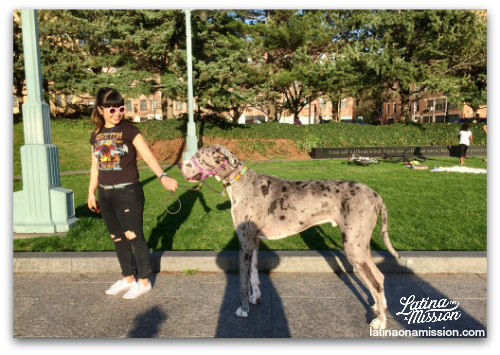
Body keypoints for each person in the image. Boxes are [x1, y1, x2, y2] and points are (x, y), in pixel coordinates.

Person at [88, 87, 178, 299]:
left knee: (133, 236)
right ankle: (128, 278)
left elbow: (147, 155)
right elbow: (95, 166)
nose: (117, 113)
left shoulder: (130, 131)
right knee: (116, 237)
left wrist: (162, 176)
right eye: (111, 109)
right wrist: (91, 192)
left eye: (121, 108)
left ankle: (144, 281)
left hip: (128, 192)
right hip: (105, 193)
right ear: (101, 109)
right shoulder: (96, 136)